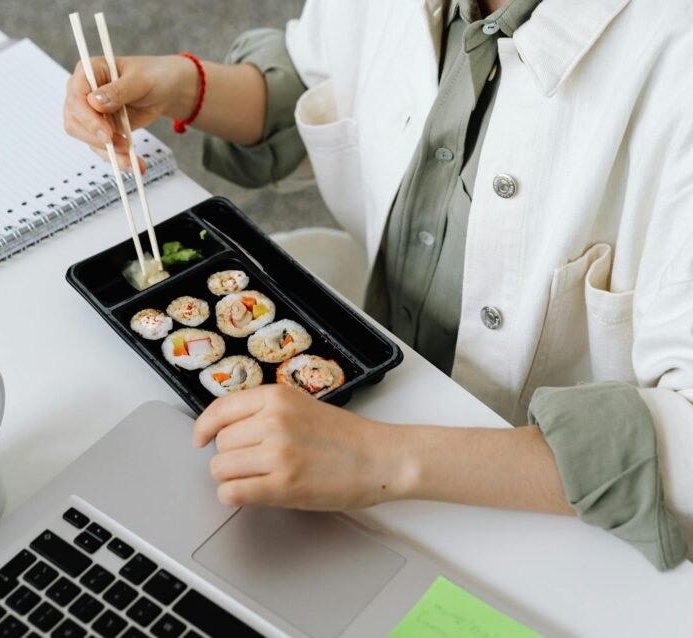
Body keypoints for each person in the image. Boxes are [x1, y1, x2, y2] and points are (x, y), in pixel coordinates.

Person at [64, 0, 693, 570]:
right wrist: (183, 85)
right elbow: (318, 81)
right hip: (358, 419)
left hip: (542, 515)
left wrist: (375, 459)